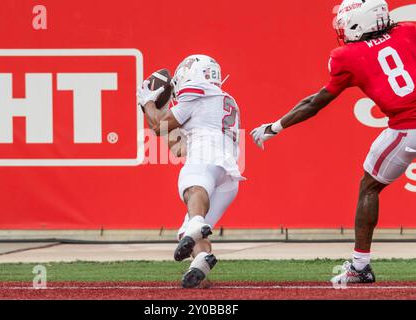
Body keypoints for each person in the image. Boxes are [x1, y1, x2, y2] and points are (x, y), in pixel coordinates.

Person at [250, 0, 415, 284]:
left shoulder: (347, 56)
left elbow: (314, 103)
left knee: (369, 186)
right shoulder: (409, 31)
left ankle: (360, 266)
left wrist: (275, 126)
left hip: (405, 128)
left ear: (358, 23)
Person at [137, 55, 244, 288]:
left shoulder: (198, 92)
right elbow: (178, 147)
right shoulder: (223, 99)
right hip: (229, 177)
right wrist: (161, 109)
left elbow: (158, 126)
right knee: (188, 231)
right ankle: (201, 264)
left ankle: (196, 224)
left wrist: (148, 102)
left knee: (191, 189)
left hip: (206, 159)